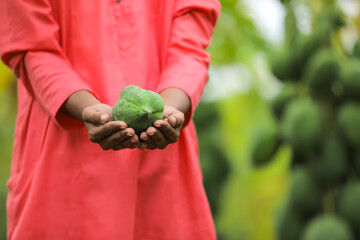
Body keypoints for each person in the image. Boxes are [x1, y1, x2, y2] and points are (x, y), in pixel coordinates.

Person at [0, 0, 220, 239]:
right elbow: (33, 48)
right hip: (60, 168)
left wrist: (168, 110)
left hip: (163, 176)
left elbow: (189, 50)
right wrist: (89, 109)